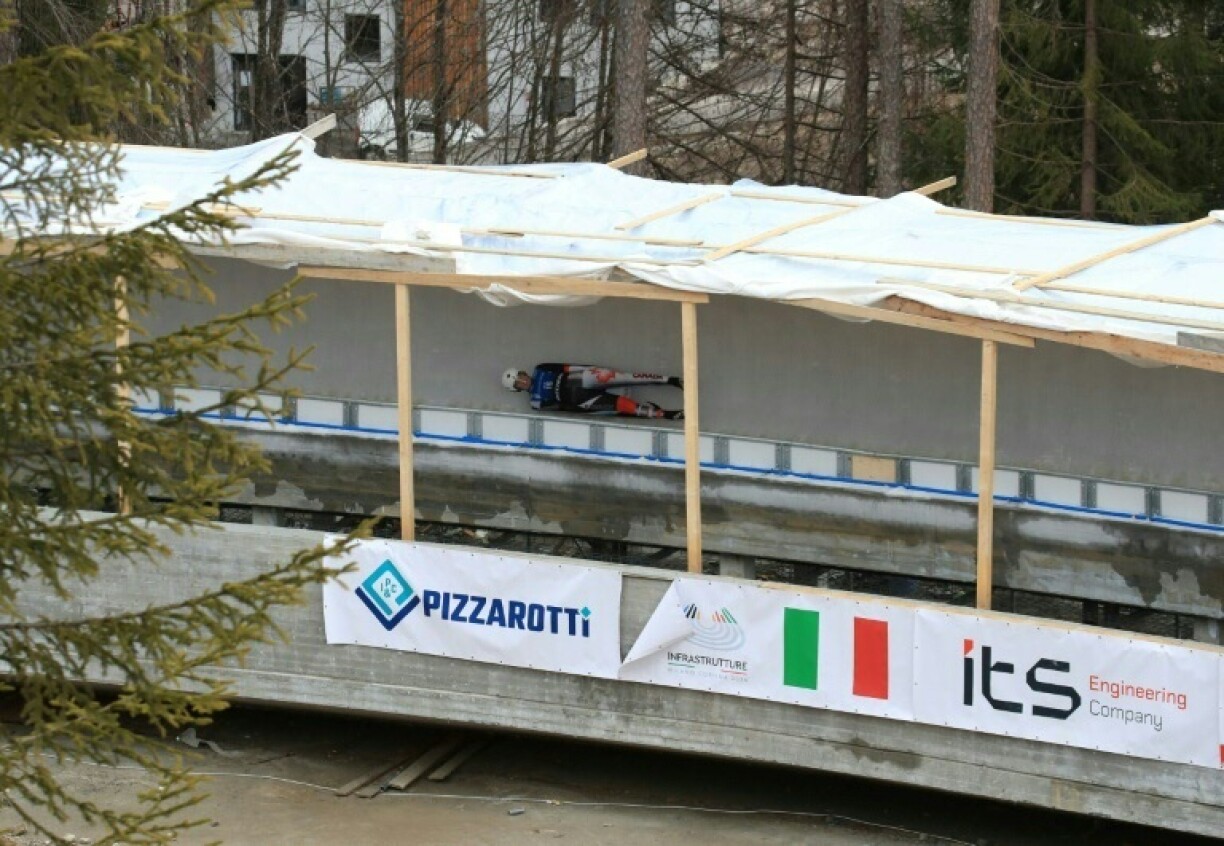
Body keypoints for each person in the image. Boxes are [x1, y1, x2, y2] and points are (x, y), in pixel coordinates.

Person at [502, 364, 685, 419]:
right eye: (519, 384)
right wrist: (588, 411)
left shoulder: (541, 369)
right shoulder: (535, 403)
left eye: (520, 377)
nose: (523, 381)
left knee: (623, 377)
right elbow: (563, 409)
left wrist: (590, 368)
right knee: (624, 406)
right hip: (579, 398)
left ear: (524, 373)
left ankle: (669, 380)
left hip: (579, 378)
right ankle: (663, 413)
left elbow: (565, 367)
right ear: (518, 390)